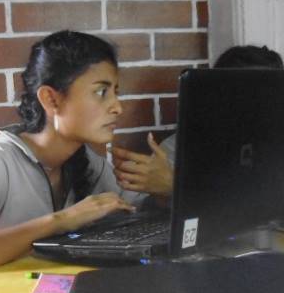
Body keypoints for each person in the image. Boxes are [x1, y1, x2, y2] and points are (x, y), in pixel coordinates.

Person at [0, 30, 144, 293]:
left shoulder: (89, 164)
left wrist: (165, 185)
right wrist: (61, 220)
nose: (117, 107)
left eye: (116, 92)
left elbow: (140, 217)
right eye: (101, 92)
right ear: (51, 99)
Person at [111, 44, 284, 198]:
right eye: (246, 93)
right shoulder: (180, 148)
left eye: (269, 93)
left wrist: (176, 187)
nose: (259, 104)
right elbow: (148, 208)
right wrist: (165, 190)